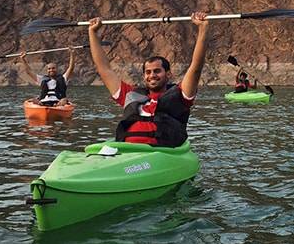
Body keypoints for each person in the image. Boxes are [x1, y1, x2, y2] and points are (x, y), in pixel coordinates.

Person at [88, 12, 209, 147]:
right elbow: (104, 70)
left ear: (168, 74)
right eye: (148, 72)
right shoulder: (131, 94)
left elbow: (196, 68)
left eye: (157, 71)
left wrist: (202, 28)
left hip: (160, 153)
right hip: (127, 151)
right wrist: (93, 33)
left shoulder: (181, 94)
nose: (152, 75)